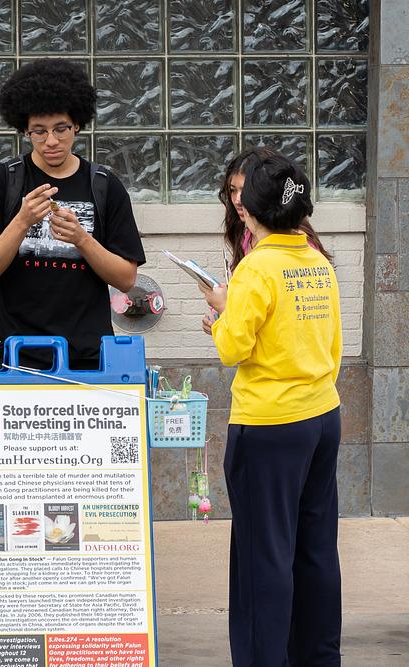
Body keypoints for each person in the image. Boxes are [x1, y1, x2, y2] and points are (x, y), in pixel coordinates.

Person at [199, 151, 342, 666]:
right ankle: (320, 658)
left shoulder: (257, 268)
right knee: (316, 550)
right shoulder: (315, 260)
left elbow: (232, 348)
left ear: (253, 210)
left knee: (265, 557)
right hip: (323, 415)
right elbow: (329, 343)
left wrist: (220, 313)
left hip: (271, 424)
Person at [0, 59, 146, 370]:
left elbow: (126, 279)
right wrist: (21, 222)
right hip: (19, 355)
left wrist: (81, 239)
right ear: (24, 129)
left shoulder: (104, 185)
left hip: (91, 357)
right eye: (39, 131)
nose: (51, 141)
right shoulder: (1, 181)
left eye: (61, 129)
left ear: (77, 124)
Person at [202, 146, 333, 334]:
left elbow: (234, 350)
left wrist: (225, 310)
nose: (238, 199)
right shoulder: (246, 235)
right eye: (232, 190)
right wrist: (220, 317)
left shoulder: (302, 248)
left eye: (245, 191)